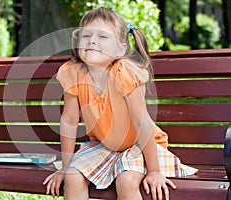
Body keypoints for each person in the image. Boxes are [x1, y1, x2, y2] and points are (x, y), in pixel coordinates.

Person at [43, 7, 197, 200]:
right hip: (104, 146)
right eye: (87, 35)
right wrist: (65, 167)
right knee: (73, 178)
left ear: (120, 49)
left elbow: (142, 123)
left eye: (103, 37)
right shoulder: (73, 72)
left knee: (126, 180)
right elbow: (69, 121)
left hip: (139, 145)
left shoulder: (124, 72)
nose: (92, 41)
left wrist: (154, 171)